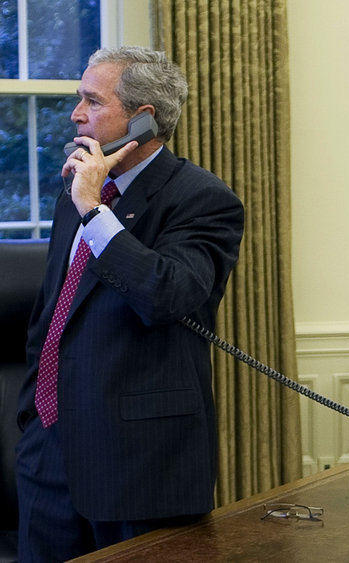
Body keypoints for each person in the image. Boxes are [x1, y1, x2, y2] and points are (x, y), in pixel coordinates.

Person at [16, 46, 244, 561]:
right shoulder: (76, 189)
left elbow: (167, 295)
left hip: (139, 463)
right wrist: (31, 419)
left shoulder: (202, 198)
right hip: (48, 451)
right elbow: (53, 310)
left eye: (92, 102)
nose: (76, 114)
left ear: (142, 120)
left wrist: (95, 211)